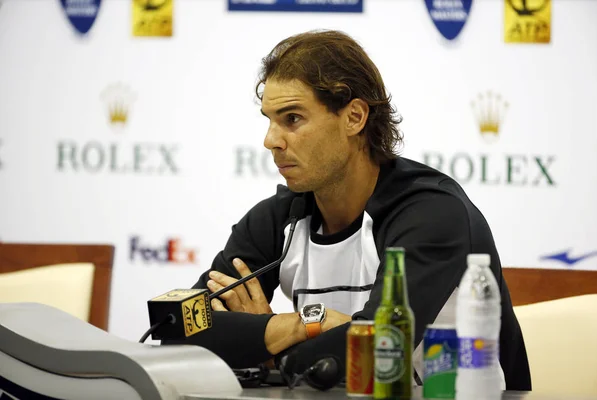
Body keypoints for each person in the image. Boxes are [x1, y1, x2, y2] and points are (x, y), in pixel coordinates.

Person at [163, 29, 532, 391]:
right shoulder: (278, 218)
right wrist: (301, 325)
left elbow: (376, 349)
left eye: (292, 118)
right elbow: (175, 329)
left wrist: (263, 345)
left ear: (354, 117)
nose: (270, 141)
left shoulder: (433, 214)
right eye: (269, 120)